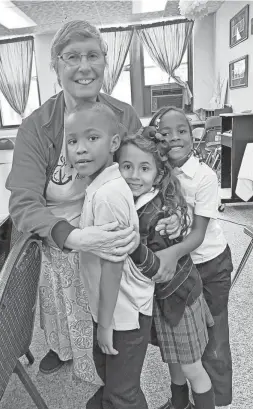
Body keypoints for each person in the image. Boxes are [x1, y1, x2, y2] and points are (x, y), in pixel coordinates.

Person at [5, 19, 141, 383]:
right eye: (72, 57)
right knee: (68, 313)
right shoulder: (37, 126)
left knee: (115, 320)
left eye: (93, 55)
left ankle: (116, 366)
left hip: (111, 230)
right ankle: (63, 347)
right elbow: (22, 203)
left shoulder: (124, 115)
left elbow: (148, 177)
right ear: (56, 67)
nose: (84, 66)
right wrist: (73, 236)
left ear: (105, 61)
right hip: (61, 236)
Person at [117, 128, 215, 409]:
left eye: (144, 168)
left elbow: (155, 263)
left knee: (192, 366)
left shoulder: (156, 213)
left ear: (158, 175)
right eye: (127, 166)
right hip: (167, 299)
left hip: (178, 299)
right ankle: (179, 403)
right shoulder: (142, 200)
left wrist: (131, 245)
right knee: (173, 359)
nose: (134, 175)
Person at [65, 101, 154, 409]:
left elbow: (113, 266)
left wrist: (105, 324)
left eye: (92, 138)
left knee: (122, 393)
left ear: (114, 143)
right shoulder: (99, 186)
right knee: (112, 378)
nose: (79, 149)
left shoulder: (107, 195)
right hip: (110, 309)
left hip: (123, 315)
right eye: (72, 140)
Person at [148, 107, 233, 409]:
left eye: (181, 131)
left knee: (212, 339)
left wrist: (168, 255)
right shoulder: (153, 172)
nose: (174, 138)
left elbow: (197, 235)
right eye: (165, 132)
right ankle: (179, 401)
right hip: (177, 270)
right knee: (175, 343)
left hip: (208, 266)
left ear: (192, 135)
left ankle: (215, 400)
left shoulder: (204, 177)